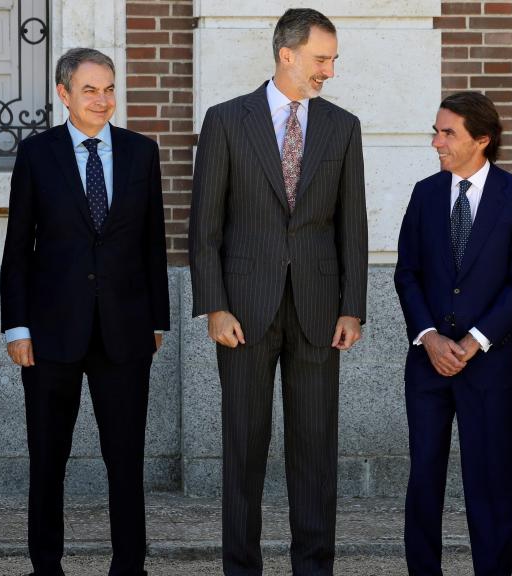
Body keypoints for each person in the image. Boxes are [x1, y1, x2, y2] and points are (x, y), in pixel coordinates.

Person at [188, 8, 367, 575]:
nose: (329, 72)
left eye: (333, 60)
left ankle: (313, 568)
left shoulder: (342, 126)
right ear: (286, 54)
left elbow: (352, 227)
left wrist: (352, 307)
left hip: (318, 311)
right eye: (321, 59)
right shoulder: (225, 121)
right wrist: (214, 305)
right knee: (244, 450)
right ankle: (241, 568)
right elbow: (205, 225)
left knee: (314, 454)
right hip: (242, 310)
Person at [0, 47, 169, 576]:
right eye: (90, 89)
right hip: (51, 334)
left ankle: (129, 566)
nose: (102, 99)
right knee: (48, 461)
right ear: (64, 94)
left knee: (126, 460)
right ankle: (45, 565)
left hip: (125, 332)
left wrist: (157, 319)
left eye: (110, 88)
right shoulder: (36, 154)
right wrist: (17, 326)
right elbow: (18, 248)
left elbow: (153, 243)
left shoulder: (142, 152)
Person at [394, 91, 512, 575]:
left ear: (483, 139)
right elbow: (407, 273)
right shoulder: (424, 194)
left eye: (447, 132)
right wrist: (430, 337)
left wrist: (474, 341)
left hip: (488, 367)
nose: (436, 141)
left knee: (492, 481)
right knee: (423, 482)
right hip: (428, 365)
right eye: (436, 131)